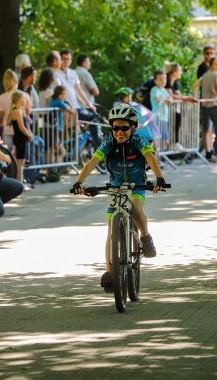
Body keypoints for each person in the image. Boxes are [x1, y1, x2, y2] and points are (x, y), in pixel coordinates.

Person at [71, 104, 166, 290]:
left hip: (136, 185)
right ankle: (111, 274)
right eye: (115, 128)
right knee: (110, 231)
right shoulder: (109, 143)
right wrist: (78, 183)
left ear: (133, 128)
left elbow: (150, 158)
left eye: (124, 128)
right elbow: (92, 162)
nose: (119, 132)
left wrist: (159, 179)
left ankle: (146, 237)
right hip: (116, 188)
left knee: (137, 211)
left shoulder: (139, 141)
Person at [165, 62, 196, 151]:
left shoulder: (175, 82)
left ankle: (175, 143)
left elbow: (179, 95)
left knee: (177, 119)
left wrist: (188, 99)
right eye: (180, 71)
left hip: (172, 109)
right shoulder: (166, 79)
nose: (181, 73)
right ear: (175, 72)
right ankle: (171, 144)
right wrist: (187, 98)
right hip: (163, 109)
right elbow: (170, 95)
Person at [7, 90, 33, 190]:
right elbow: (21, 127)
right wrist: (29, 134)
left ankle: (20, 182)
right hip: (19, 138)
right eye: (23, 98)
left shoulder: (20, 110)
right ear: (18, 100)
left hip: (20, 138)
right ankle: (19, 183)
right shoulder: (17, 112)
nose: (25, 100)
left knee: (20, 162)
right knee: (20, 162)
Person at [150, 70, 173, 151]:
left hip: (164, 118)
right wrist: (166, 100)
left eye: (165, 78)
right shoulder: (154, 89)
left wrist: (169, 99)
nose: (163, 81)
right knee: (157, 140)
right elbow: (156, 99)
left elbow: (170, 97)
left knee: (165, 140)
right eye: (160, 79)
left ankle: (159, 157)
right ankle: (155, 157)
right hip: (157, 118)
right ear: (155, 81)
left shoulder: (163, 90)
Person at [0, 69, 19, 145]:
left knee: (8, 153)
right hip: (22, 128)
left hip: (8, 128)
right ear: (16, 80)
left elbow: (0, 117)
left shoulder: (1, 98)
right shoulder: (24, 96)